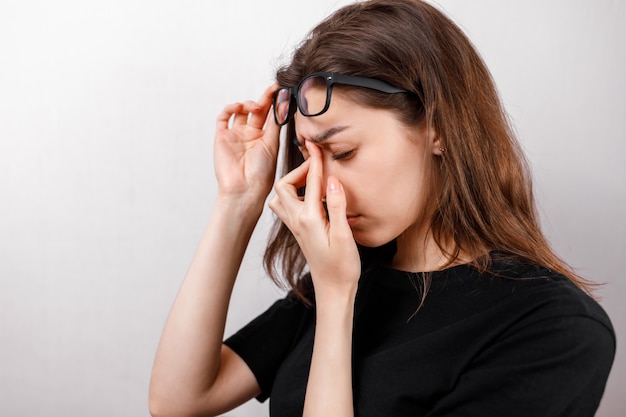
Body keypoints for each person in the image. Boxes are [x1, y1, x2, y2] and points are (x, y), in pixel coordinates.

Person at [148, 1, 615, 416]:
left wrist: (337, 302)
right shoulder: (354, 274)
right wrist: (237, 200)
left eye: (345, 152)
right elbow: (179, 401)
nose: (323, 184)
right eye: (310, 155)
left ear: (438, 127)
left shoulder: (553, 330)